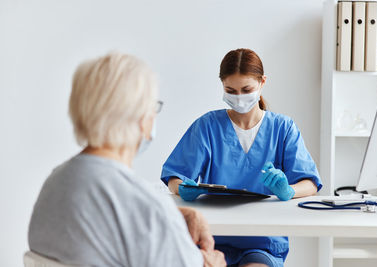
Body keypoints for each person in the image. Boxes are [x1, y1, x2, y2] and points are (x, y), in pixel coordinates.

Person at [28, 52, 226, 267]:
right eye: (154, 107)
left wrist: (175, 217)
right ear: (142, 118)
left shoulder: (54, 184)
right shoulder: (147, 208)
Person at [161, 48, 323, 267]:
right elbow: (174, 177)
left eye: (246, 89)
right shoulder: (207, 126)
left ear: (262, 82)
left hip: (262, 242)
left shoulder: (282, 128)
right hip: (212, 240)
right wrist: (182, 188)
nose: (238, 98)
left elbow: (310, 183)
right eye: (231, 90)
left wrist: (289, 190)